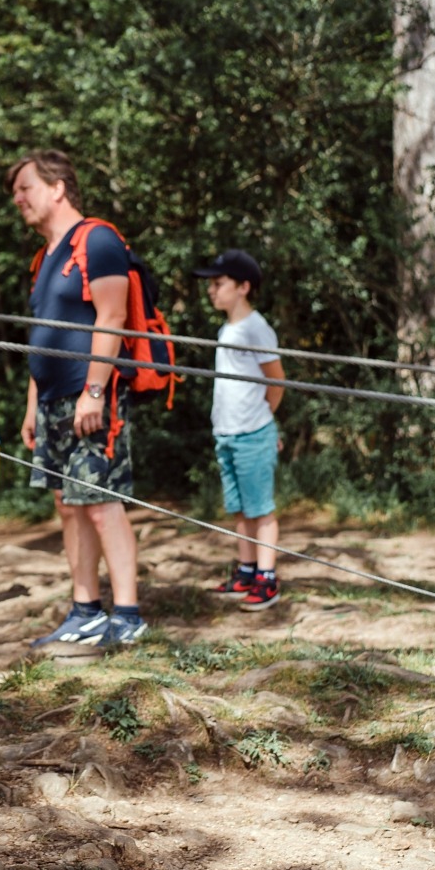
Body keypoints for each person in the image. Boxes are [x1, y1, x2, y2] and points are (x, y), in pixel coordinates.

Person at [7, 149, 146, 648]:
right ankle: (85, 609)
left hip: (92, 397)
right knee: (68, 505)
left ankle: (127, 615)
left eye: (25, 188)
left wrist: (94, 390)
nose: (17, 199)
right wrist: (31, 405)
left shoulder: (99, 240)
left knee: (101, 503)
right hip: (50, 402)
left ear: (58, 186)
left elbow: (113, 317)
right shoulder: (45, 257)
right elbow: (42, 337)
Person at [193, 249, 285, 610]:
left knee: (261, 508)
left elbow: (276, 381)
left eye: (219, 284)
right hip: (227, 433)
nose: (211, 291)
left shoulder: (256, 328)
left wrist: (262, 421)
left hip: (252, 432)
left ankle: (267, 578)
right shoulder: (227, 328)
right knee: (240, 508)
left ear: (244, 287)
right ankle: (246, 570)